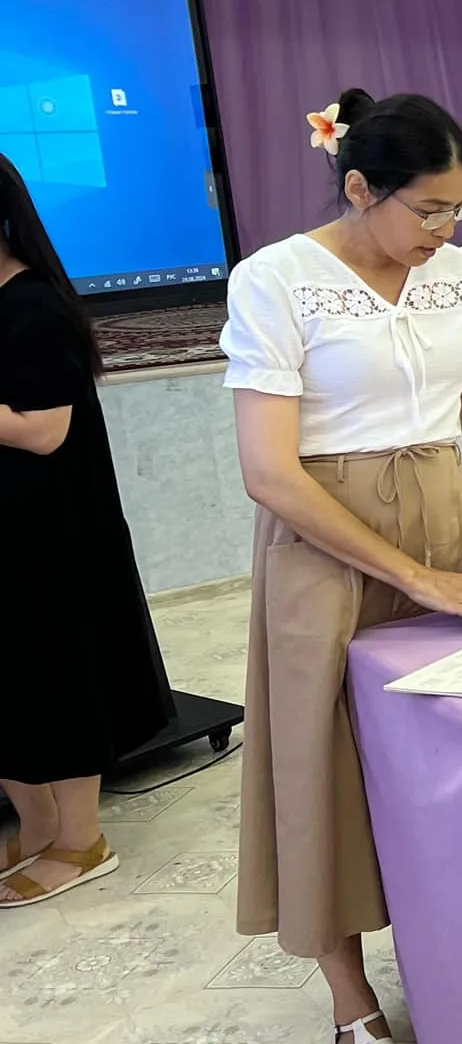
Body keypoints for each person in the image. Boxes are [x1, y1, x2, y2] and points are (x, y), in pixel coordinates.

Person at [222, 90, 462, 1044]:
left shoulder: (461, 276)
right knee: (323, 765)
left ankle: (461, 948)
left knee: (457, 745)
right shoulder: (277, 280)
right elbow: (268, 471)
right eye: (429, 209)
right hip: (325, 543)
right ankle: (351, 998)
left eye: (461, 207)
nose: (446, 230)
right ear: (360, 189)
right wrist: (412, 580)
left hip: (450, 525)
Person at [0, 154, 171, 908]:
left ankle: (81, 838)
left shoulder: (34, 308)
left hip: (48, 537)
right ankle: (36, 826)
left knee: (56, 680)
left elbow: (43, 432)